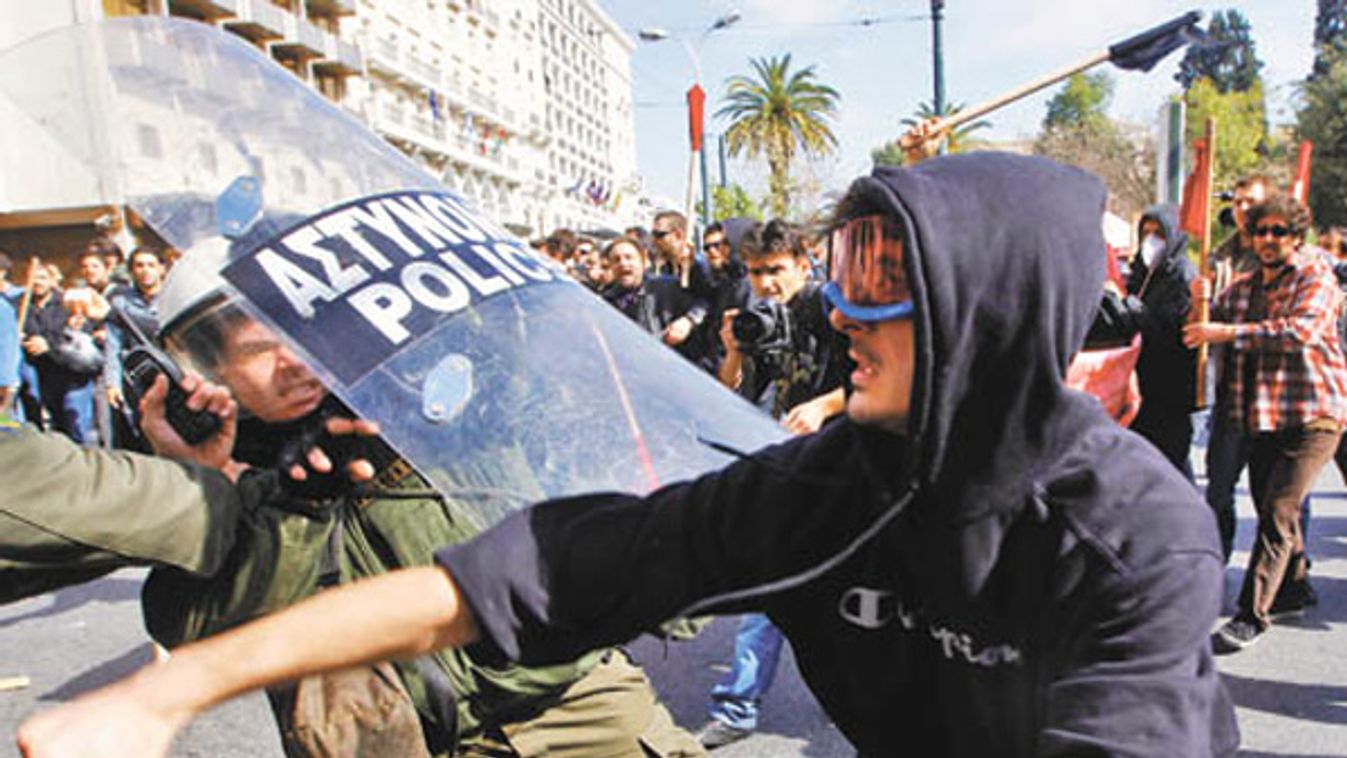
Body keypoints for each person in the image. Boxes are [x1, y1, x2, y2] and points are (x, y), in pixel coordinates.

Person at [17, 153, 1238, 758]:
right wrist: (162, 691)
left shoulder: (1136, 535)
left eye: (881, 279)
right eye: (837, 267)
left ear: (993, 309)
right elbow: (509, 575)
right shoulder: (826, 493)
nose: (835, 314)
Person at [132, 286, 704, 757]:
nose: (295, 362)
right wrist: (206, 485)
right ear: (209, 372)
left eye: (303, 337)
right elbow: (187, 628)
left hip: (578, 706)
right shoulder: (242, 489)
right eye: (260, 350)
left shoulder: (432, 403)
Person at [698, 218, 848, 749]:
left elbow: (878, 377)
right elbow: (732, 396)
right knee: (769, 591)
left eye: (775, 270)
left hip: (842, 468)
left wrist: (824, 405)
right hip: (785, 469)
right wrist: (734, 350)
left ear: (802, 265)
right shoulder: (757, 315)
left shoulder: (833, 307)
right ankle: (736, 707)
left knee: (842, 595)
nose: (765, 282)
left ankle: (851, 693)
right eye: (756, 272)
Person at [1184, 194, 1347, 652]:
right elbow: (1204, 327)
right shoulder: (1243, 287)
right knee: (1270, 506)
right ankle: (1293, 587)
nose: (1268, 240)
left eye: (1279, 231)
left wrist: (1227, 331)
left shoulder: (1317, 278)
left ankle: (1250, 615)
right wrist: (1197, 306)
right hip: (1263, 416)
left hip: (1315, 415)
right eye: (1261, 231)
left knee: (1279, 510)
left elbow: (1300, 331)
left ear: (1297, 236)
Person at [1088, 205, 1197, 474]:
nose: (1151, 240)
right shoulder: (1139, 271)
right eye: (1146, 232)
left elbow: (1175, 329)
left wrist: (1138, 313)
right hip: (1138, 385)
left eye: (1158, 233)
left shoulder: (1183, 276)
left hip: (1170, 389)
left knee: (1171, 468)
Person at [1204, 175, 1272, 560]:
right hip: (1229, 390)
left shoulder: (1279, 254)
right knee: (1218, 489)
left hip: (1272, 392)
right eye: (1239, 202)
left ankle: (1288, 576)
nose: (1243, 208)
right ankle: (1216, 561)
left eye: (1251, 202)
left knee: (1277, 498)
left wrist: (1224, 330)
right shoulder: (1221, 256)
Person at [601, 236, 709, 361]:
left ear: (643, 261)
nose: (623, 263)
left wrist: (689, 321)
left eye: (629, 257)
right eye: (616, 260)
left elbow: (704, 302)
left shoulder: (666, 286)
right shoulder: (605, 303)